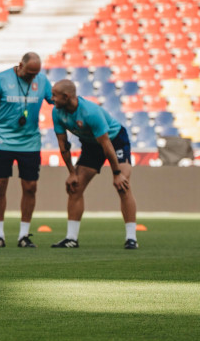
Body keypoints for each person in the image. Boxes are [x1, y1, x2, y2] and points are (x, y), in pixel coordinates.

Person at [49, 80, 139, 249]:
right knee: (75, 186)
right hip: (91, 145)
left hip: (115, 141)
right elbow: (63, 145)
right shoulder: (57, 112)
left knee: (123, 186)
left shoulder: (90, 112)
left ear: (66, 97)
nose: (51, 98)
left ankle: (131, 238)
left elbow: (106, 145)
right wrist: (71, 173)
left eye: (54, 95)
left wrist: (117, 173)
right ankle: (71, 238)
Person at [0, 52, 52, 248]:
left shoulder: (43, 81)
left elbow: (58, 101)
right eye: (29, 73)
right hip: (2, 141)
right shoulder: (2, 78)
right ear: (20, 65)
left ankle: (24, 235)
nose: (31, 78)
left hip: (30, 143)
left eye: (35, 74)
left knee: (30, 187)